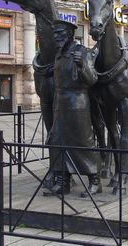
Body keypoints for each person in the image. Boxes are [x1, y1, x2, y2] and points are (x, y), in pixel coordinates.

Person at [46, 20, 102, 197]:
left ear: (70, 34)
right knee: (58, 140)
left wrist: (82, 66)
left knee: (82, 141)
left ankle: (95, 180)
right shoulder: (59, 55)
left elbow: (93, 79)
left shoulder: (81, 52)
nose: (56, 37)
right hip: (60, 102)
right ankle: (63, 181)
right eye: (55, 34)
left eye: (60, 33)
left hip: (77, 102)